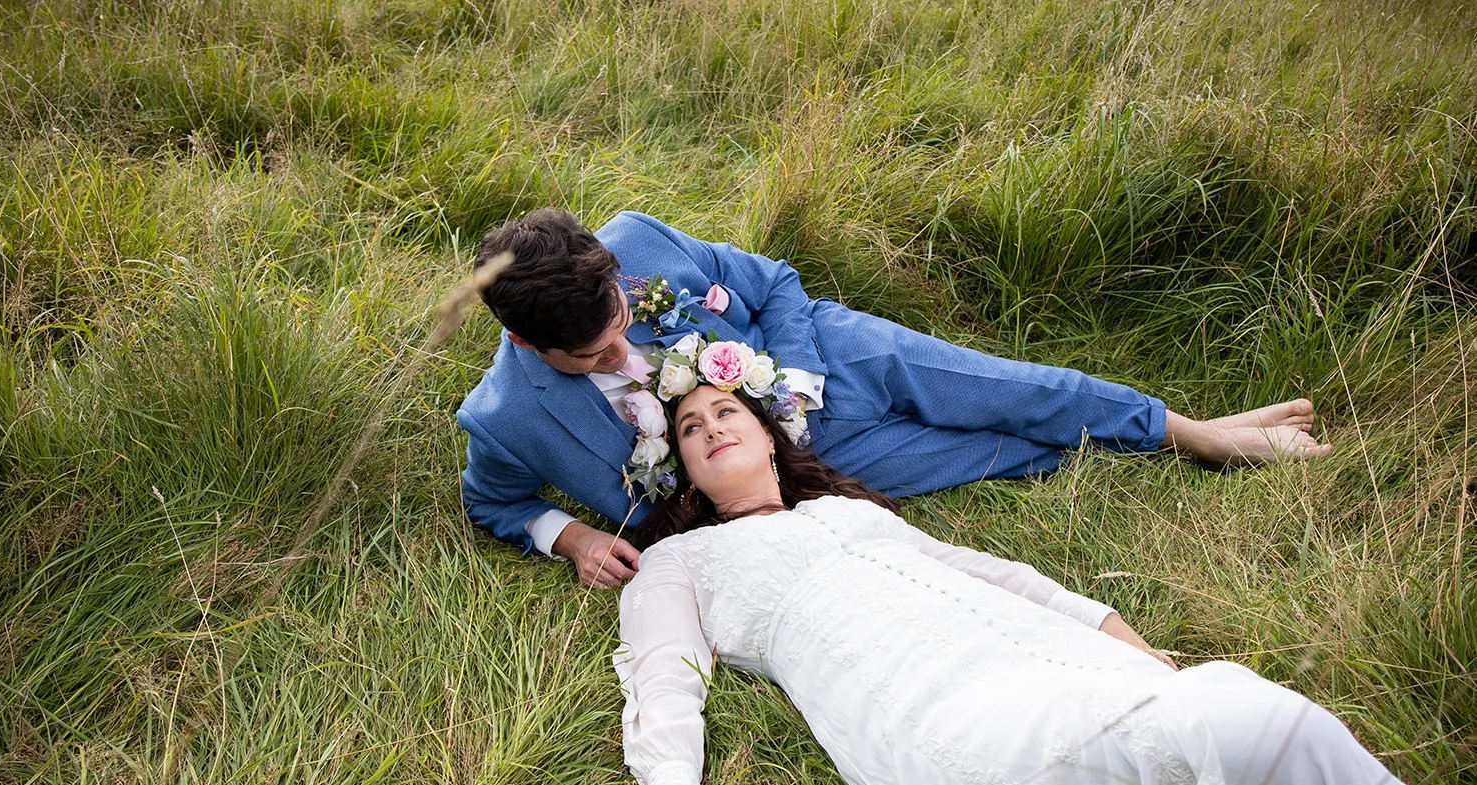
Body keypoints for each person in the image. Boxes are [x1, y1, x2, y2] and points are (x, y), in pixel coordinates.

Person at [611, 354, 1477, 785]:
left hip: (1050, 657)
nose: (711, 428)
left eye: (727, 413)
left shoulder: (849, 512)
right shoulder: (684, 563)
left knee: (1245, 756)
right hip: (937, 712)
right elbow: (664, 683)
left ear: (769, 434)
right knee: (1259, 729)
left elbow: (995, 575)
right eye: (690, 427)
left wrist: (1116, 630)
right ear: (678, 467)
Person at [456, 208, 1332, 589]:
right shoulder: (506, 415)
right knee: (988, 453)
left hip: (829, 358)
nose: (621, 347)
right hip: (785, 469)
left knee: (1003, 389)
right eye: (596, 353)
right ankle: (1150, 437)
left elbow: (775, 284)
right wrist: (566, 536)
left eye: (620, 320)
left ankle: (1195, 435)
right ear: (531, 345)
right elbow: (492, 497)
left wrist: (796, 377)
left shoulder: (640, 242)